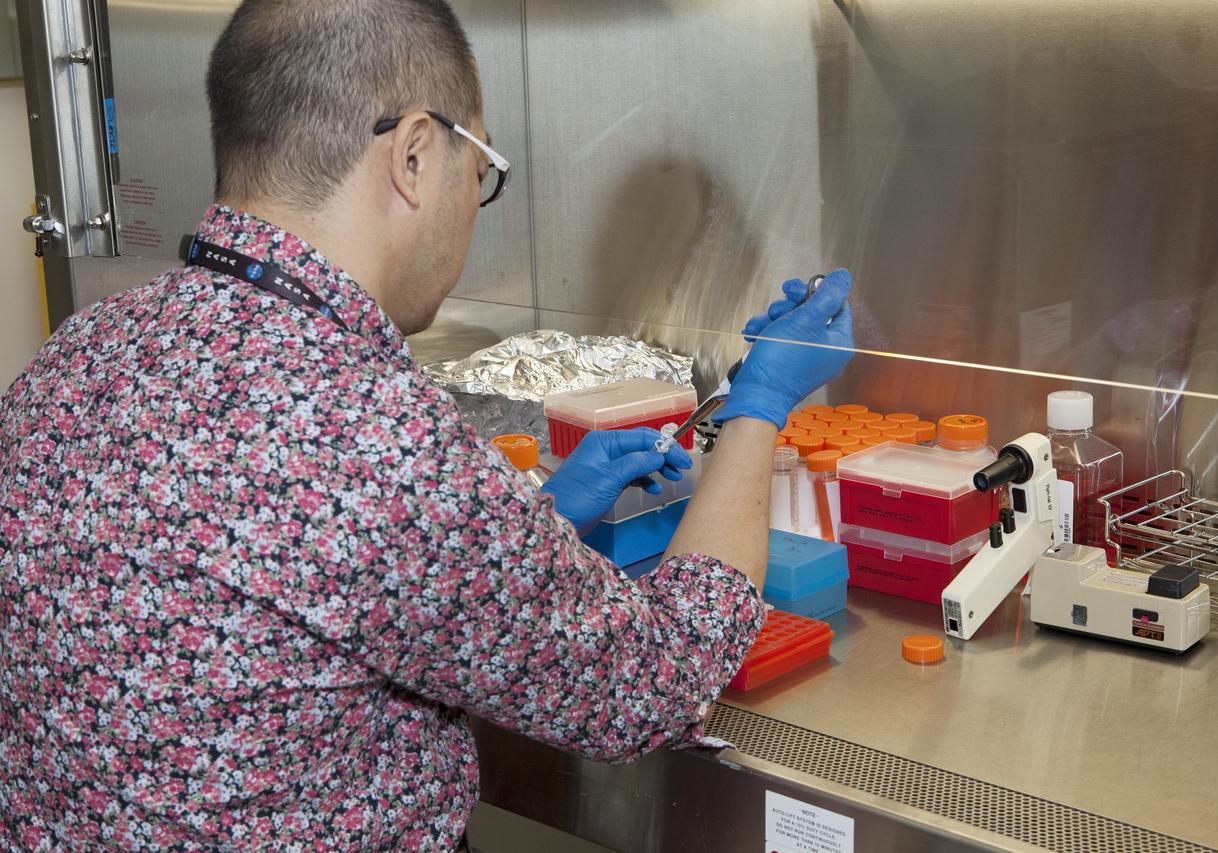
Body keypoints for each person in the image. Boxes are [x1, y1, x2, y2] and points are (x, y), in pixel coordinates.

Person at [0, 0, 854, 849]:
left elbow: (287, 597)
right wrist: (760, 402)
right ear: (413, 155)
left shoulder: (75, 354)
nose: (472, 208)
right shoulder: (373, 435)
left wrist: (535, 525)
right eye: (479, 171)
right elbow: (656, 682)